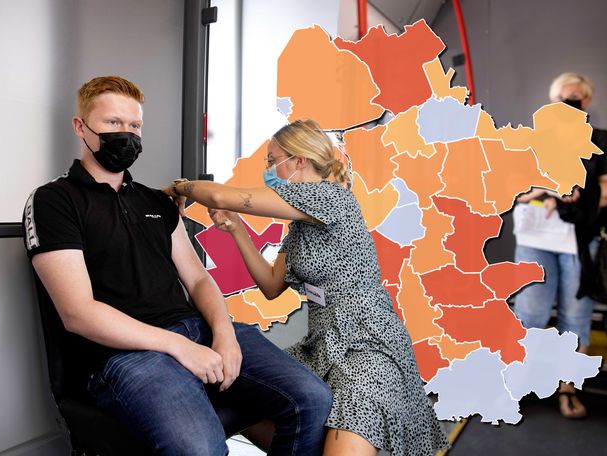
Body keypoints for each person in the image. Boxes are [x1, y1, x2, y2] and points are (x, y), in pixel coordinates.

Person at [22, 75, 332, 455]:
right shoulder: (54, 201)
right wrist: (178, 347)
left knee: (312, 399)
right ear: (80, 126)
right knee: (198, 448)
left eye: (134, 125)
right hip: (126, 354)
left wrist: (224, 333)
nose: (126, 134)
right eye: (113, 123)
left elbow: (198, 279)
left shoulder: (155, 201)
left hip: (195, 328)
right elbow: (78, 313)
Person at [164, 119, 449, 456]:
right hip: (322, 345)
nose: (268, 171)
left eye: (273, 161)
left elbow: (217, 195)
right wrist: (237, 230)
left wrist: (180, 188)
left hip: (365, 346)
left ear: (299, 161)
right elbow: (272, 285)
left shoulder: (329, 198)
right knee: (240, 391)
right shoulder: (300, 225)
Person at [513, 72, 607, 419]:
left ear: (587, 100)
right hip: (536, 238)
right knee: (529, 312)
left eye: (574, 97)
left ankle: (568, 389)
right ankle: (517, 385)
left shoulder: (602, 140)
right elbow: (514, 186)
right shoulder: (535, 140)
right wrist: (546, 190)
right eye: (561, 98)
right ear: (552, 101)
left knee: (575, 316)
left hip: (581, 238)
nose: (568, 103)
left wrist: (577, 197)